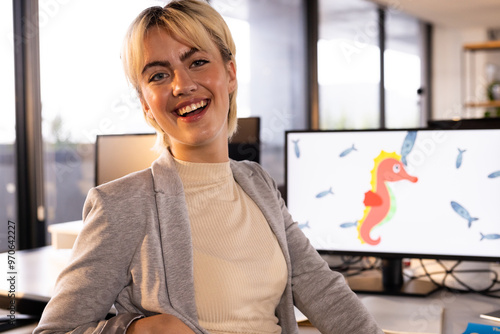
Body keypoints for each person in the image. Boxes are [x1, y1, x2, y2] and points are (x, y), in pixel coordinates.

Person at [34, 1, 384, 333]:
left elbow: (322, 289)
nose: (182, 85)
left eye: (197, 62)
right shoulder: (121, 205)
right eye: (158, 75)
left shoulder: (257, 183)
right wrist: (137, 329)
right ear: (145, 105)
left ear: (230, 74)